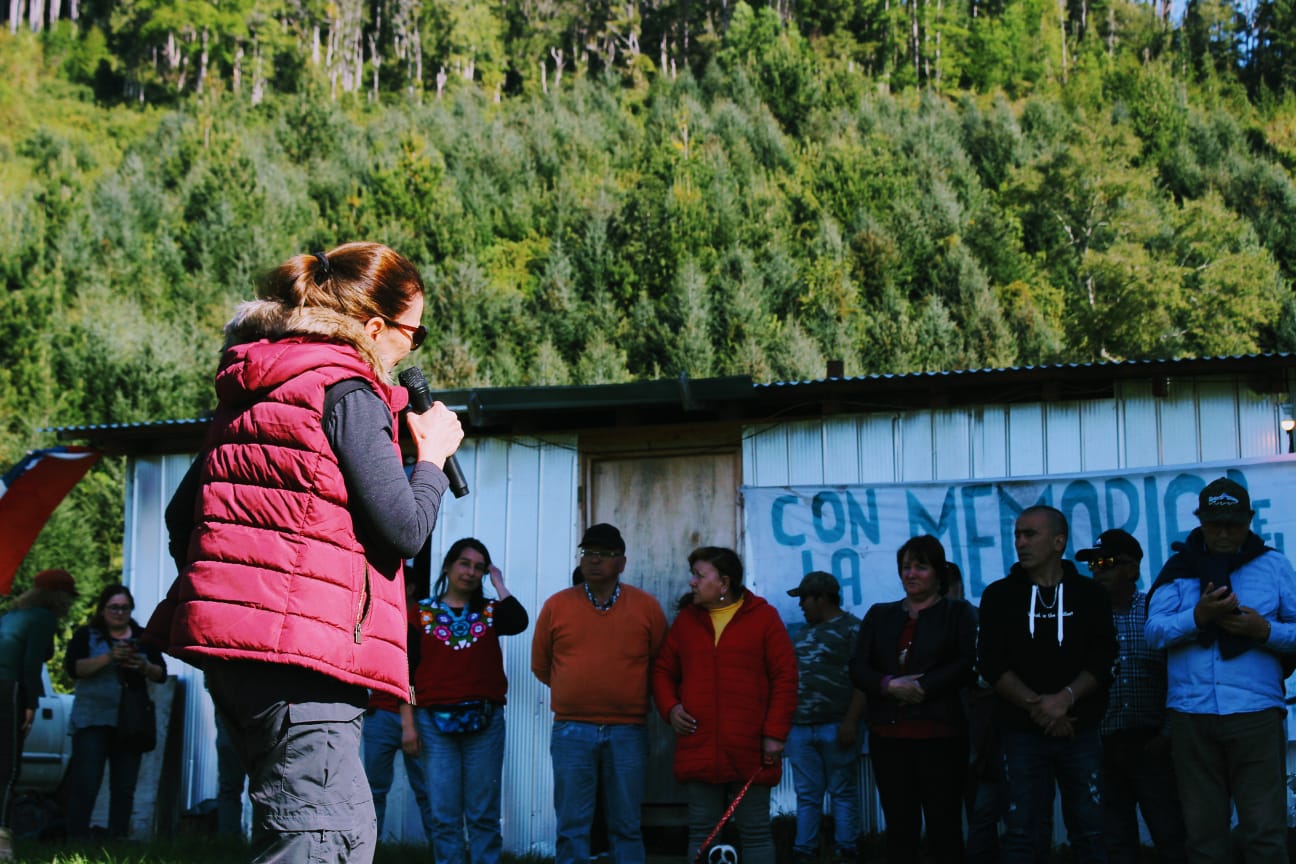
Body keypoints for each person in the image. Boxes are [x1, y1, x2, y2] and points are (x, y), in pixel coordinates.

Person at [153, 242, 464, 863]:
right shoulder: (347, 390)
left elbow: (180, 515)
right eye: (414, 332)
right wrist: (430, 459)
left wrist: (239, 589)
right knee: (318, 839)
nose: (413, 348)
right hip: (302, 662)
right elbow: (405, 530)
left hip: (237, 656)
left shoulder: (258, 385)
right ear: (374, 328)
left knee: (334, 832)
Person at [1145, 477, 1296, 864]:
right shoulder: (1178, 569)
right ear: (1199, 521)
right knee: (1204, 836)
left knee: (1265, 832)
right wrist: (1197, 616)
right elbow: (1154, 633)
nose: (1225, 532)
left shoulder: (1274, 566)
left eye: (1234, 523)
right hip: (1191, 714)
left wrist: (1264, 631)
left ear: (1250, 520)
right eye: (1215, 524)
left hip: (1256, 712)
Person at [976, 505, 1117, 864]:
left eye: (1030, 534)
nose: (1020, 543)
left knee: (1091, 831)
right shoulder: (999, 595)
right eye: (1017, 535)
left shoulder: (1091, 595)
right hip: (1020, 732)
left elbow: (1103, 658)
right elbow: (991, 662)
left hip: (1080, 730)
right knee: (1022, 833)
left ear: (1059, 541)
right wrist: (1039, 706)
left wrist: (1065, 699)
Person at [652, 546, 798, 864]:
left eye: (699, 575)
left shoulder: (763, 618)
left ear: (724, 582)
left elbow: (785, 678)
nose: (691, 582)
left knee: (756, 832)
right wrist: (671, 708)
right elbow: (663, 671)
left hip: (752, 747)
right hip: (699, 745)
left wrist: (775, 735)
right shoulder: (687, 622)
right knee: (703, 833)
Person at [531, 524, 667, 864]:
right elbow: (541, 665)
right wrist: (575, 689)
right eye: (588, 553)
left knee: (627, 824)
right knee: (572, 824)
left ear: (621, 563)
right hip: (572, 730)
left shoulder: (646, 607)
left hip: (628, 731)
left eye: (604, 555)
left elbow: (661, 664)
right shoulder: (557, 606)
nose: (594, 561)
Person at [850, 535, 977, 863]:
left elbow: (967, 662)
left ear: (938, 572)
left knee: (944, 827)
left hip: (941, 738)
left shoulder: (958, 613)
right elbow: (857, 668)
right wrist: (889, 684)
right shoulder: (880, 615)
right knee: (900, 827)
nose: (911, 574)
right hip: (889, 739)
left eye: (921, 567)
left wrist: (922, 687)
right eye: (906, 567)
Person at [410, 538, 528, 863]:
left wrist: (499, 583)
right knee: (444, 814)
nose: (471, 572)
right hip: (434, 724)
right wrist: (408, 724)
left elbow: (519, 620)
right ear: (448, 566)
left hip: (485, 722)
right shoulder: (420, 613)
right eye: (465, 563)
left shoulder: (491, 613)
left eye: (479, 567)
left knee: (483, 814)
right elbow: (406, 672)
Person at [1077, 529, 1187, 864]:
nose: (1099, 570)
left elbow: (1178, 677)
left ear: (1133, 569)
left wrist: (1166, 736)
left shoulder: (1158, 613)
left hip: (1152, 744)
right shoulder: (1083, 619)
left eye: (1108, 562)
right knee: (1114, 841)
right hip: (1103, 745)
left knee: (1171, 836)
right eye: (1094, 563)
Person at [63, 584, 167, 839]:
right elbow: (74, 669)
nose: (119, 613)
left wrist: (142, 665)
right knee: (86, 783)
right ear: (103, 609)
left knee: (124, 785)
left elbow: (161, 673)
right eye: (114, 608)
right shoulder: (87, 635)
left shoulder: (144, 638)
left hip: (131, 721)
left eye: (125, 608)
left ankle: (117, 839)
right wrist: (109, 658)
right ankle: (76, 839)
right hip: (92, 719)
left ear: (131, 609)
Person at [784, 571, 866, 864]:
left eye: (804, 599)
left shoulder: (853, 630)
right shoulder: (800, 633)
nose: (801, 606)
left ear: (821, 598)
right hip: (800, 729)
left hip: (837, 726)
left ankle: (847, 850)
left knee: (842, 790)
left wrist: (851, 722)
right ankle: (804, 852)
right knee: (807, 794)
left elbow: (864, 681)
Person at [0, 568, 78, 861]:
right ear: (59, 597)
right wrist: (30, 703)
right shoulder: (44, 618)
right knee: (7, 768)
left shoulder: (11, 615)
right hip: (8, 690)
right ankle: (2, 840)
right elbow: (32, 664)